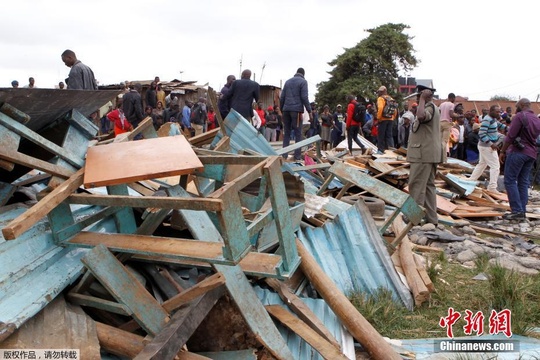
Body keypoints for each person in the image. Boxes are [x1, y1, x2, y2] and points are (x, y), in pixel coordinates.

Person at [407, 85, 442, 225]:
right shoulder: (433, 108)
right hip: (428, 154)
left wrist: (422, 99)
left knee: (416, 185)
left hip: (423, 154)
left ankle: (412, 218)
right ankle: (432, 219)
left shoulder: (429, 107)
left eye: (418, 96)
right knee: (428, 187)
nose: (416, 99)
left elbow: (421, 116)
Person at [500, 98, 540, 220]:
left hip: (518, 151)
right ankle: (521, 210)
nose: (516, 108)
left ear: (522, 105)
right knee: (523, 182)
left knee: (510, 180)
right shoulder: (536, 119)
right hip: (531, 153)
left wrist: (502, 151)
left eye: (517, 106)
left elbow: (510, 136)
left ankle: (517, 211)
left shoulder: (519, 116)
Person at [469, 105, 505, 193]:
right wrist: (491, 144)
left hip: (484, 146)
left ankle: (471, 180)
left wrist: (510, 129)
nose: (498, 113)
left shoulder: (493, 119)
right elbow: (481, 134)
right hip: (487, 146)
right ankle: (492, 187)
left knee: (482, 164)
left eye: (499, 112)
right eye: (497, 112)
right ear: (491, 111)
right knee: (495, 167)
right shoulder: (487, 120)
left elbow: (501, 125)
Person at [279, 67, 312, 160]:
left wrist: (282, 110)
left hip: (286, 110)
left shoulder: (288, 82)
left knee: (287, 133)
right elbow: (304, 97)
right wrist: (310, 111)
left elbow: (282, 98)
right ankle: (297, 156)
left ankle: (284, 156)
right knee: (298, 133)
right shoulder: (303, 82)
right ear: (303, 74)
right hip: (296, 111)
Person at [375, 85, 397, 153]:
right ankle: (391, 150)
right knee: (389, 136)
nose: (378, 93)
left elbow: (381, 108)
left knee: (381, 135)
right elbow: (395, 110)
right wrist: (393, 118)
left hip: (383, 119)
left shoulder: (380, 98)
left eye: (379, 92)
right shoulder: (391, 98)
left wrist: (378, 118)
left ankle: (380, 150)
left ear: (382, 92)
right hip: (390, 119)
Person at [439, 93, 458, 161]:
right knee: (444, 142)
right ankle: (439, 156)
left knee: (441, 141)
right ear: (452, 98)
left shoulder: (442, 104)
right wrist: (458, 116)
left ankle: (444, 159)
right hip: (447, 123)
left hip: (440, 123)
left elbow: (439, 113)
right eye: (454, 99)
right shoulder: (452, 104)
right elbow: (451, 114)